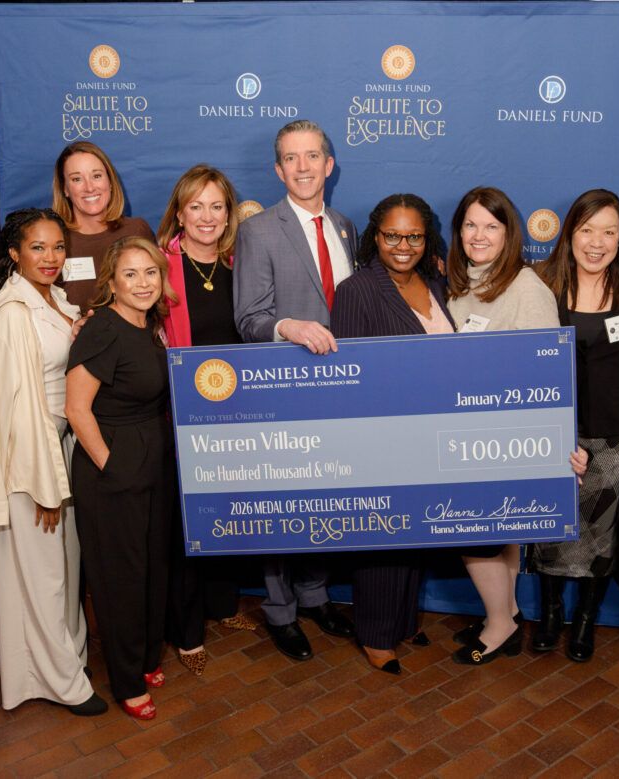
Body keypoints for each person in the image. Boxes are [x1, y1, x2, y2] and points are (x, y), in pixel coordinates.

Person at [232, 119, 356, 660]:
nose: (302, 167)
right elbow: (249, 318)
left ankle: (314, 595)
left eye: (311, 156)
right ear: (278, 170)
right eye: (291, 158)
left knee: (329, 496)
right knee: (285, 506)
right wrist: (290, 327)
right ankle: (280, 611)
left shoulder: (345, 226)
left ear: (329, 164)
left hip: (339, 392)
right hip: (285, 392)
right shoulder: (259, 230)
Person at [0, 208, 106, 717]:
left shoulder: (52, 297)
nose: (50, 257)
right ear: (15, 253)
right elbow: (10, 411)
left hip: (60, 446)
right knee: (46, 577)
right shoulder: (11, 312)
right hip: (30, 462)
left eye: (57, 247)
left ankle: (69, 661)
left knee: (67, 570)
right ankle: (63, 684)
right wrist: (40, 485)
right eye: (37, 247)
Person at [331, 193, 454, 674]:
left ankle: (402, 620)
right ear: (375, 237)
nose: (403, 246)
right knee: (384, 536)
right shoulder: (357, 289)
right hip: (382, 436)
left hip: (432, 432)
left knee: (415, 532)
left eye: (414, 236)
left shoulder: (435, 282)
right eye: (392, 236)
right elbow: (348, 376)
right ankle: (376, 634)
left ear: (427, 238)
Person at [444, 186, 560, 665]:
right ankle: (506, 613)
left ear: (509, 233)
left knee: (477, 531)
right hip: (464, 431)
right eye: (470, 225)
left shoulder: (526, 288)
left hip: (505, 436)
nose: (479, 235)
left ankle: (498, 626)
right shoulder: (458, 283)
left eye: (491, 226)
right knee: (499, 528)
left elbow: (547, 371)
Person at [65, 236, 176, 720]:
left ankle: (148, 657)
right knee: (121, 578)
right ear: (111, 282)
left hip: (152, 458)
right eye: (130, 274)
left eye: (150, 272)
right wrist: (111, 467)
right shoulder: (101, 330)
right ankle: (128, 680)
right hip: (113, 465)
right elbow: (76, 409)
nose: (143, 283)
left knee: (152, 565)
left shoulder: (149, 324)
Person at [531, 189, 619, 662]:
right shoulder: (541, 284)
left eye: (609, 232)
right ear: (570, 234)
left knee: (601, 533)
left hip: (614, 435)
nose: (597, 243)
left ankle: (584, 619)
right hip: (551, 432)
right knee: (549, 527)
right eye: (587, 230)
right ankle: (550, 612)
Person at [157, 164, 257, 677]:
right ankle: (186, 631)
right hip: (183, 414)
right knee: (186, 524)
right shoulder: (159, 267)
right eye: (196, 206)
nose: (207, 216)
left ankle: (222, 604)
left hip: (235, 414)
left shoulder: (241, 263)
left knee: (226, 511)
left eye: (217, 206)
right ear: (179, 213)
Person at [0, 142, 155, 307]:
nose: (89, 187)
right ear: (65, 189)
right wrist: (60, 320)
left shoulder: (137, 230)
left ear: (110, 182)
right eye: (77, 179)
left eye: (97, 176)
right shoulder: (51, 237)